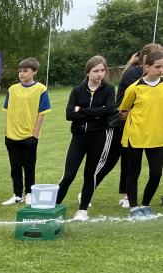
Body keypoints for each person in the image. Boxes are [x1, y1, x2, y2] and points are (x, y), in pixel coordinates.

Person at [55, 55, 118, 221]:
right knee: (68, 175)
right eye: (96, 71)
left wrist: (81, 110)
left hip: (99, 137)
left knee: (90, 175)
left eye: (102, 70)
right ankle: (54, 207)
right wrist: (96, 113)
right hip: (78, 138)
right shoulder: (77, 91)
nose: (100, 74)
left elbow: (109, 110)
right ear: (88, 72)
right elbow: (69, 115)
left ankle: (82, 210)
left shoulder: (109, 89)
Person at [118, 49, 163, 219]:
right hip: (135, 136)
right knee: (133, 173)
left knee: (156, 173)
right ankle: (134, 208)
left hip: (157, 137)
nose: (161, 70)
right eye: (157, 67)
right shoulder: (134, 88)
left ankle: (145, 204)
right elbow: (123, 111)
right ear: (147, 66)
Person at [2, 58, 51, 205]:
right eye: (20, 71)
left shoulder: (41, 89)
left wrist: (35, 135)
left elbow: (41, 114)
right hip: (11, 136)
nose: (21, 73)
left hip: (29, 136)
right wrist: (7, 132)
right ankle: (17, 195)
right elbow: (8, 111)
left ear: (34, 71)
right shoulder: (12, 89)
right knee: (15, 167)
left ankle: (29, 193)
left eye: (25, 71)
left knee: (29, 167)